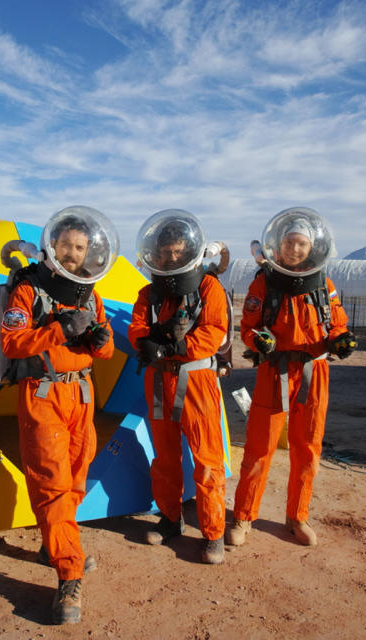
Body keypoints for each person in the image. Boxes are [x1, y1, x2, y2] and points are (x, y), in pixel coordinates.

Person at [0, 206, 118, 624]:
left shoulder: (89, 291)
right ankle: (69, 574)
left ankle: (55, 540)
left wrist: (101, 340)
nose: (73, 253)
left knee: (76, 476)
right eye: (67, 245)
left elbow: (103, 351)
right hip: (44, 393)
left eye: (80, 247)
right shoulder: (30, 289)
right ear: (54, 245)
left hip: (81, 394)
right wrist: (60, 330)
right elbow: (12, 342)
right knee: (52, 482)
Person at [226, 207, 356, 548]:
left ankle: (297, 516)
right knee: (258, 448)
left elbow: (336, 322)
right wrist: (259, 340)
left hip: (315, 372)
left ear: (311, 247)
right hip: (275, 371)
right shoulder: (264, 283)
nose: (295, 250)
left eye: (301, 244)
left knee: (308, 449)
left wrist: (341, 338)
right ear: (278, 246)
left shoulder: (323, 284)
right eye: (289, 243)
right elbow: (249, 327)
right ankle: (243, 515)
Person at [127, 209, 230, 564]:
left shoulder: (208, 287)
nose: (170, 257)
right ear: (155, 254)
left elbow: (214, 331)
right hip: (159, 379)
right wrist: (147, 343)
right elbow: (137, 327)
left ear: (188, 251)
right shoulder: (148, 293)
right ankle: (171, 518)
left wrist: (174, 347)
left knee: (206, 459)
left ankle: (213, 532)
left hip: (196, 379)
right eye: (165, 252)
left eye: (176, 251)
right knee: (165, 457)